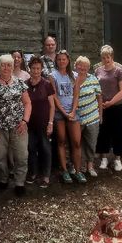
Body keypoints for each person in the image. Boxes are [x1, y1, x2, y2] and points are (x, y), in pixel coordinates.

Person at [0, 54, 31, 197]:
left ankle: (20, 183)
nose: (6, 67)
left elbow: (27, 103)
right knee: (0, 157)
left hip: (19, 127)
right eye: (3, 65)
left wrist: (25, 121)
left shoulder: (20, 83)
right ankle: (3, 180)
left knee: (21, 156)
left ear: (13, 66)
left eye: (9, 65)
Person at [51, 49, 84, 184]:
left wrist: (73, 110)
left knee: (76, 142)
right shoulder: (52, 75)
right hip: (60, 113)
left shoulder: (74, 75)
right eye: (59, 59)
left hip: (73, 112)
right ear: (56, 61)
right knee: (61, 141)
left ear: (68, 60)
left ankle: (77, 170)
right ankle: (64, 170)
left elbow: (76, 94)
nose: (61, 61)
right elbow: (54, 96)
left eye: (64, 59)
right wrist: (64, 113)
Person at [95, 45, 122, 172]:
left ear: (111, 57)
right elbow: (96, 88)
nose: (106, 59)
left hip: (116, 105)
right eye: (103, 57)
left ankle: (117, 159)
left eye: (108, 57)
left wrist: (111, 102)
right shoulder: (98, 70)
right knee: (103, 131)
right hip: (102, 106)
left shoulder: (118, 71)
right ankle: (104, 157)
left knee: (118, 131)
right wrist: (101, 102)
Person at [25, 56, 55, 187]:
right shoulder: (25, 84)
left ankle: (46, 176)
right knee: (31, 148)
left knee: (45, 149)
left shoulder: (47, 84)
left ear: (41, 69)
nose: (36, 71)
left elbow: (52, 106)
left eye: (38, 68)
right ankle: (33, 173)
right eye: (33, 68)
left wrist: (50, 123)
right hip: (30, 124)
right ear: (29, 69)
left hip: (44, 123)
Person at [74, 55, 103, 178]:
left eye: (85, 66)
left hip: (92, 117)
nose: (83, 68)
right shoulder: (72, 78)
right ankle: (77, 167)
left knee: (91, 143)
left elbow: (99, 97)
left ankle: (90, 166)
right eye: (80, 65)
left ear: (89, 68)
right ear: (76, 66)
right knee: (76, 143)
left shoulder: (93, 79)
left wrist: (100, 114)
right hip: (77, 118)